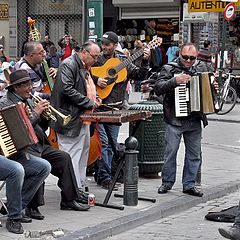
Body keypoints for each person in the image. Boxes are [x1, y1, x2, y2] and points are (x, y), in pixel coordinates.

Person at [0, 69, 90, 220]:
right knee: (39, 164)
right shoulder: (6, 103)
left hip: (38, 143)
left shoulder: (28, 99)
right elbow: (18, 132)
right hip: (23, 148)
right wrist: (35, 113)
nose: (31, 88)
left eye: (30, 84)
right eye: (27, 85)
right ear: (16, 87)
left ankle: (69, 199)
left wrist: (44, 116)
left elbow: (40, 126)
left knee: (64, 158)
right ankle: (32, 206)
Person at [154, 43, 214, 197]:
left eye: (192, 58)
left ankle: (189, 184)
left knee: (194, 154)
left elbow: (208, 89)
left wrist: (214, 90)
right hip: (174, 118)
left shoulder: (201, 68)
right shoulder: (169, 68)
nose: (188, 61)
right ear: (179, 54)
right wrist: (175, 81)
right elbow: (158, 88)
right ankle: (167, 182)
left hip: (194, 119)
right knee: (170, 153)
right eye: (185, 57)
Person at [92, 31, 150, 190]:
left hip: (116, 108)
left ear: (115, 45)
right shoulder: (97, 58)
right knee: (103, 143)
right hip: (99, 108)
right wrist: (97, 79)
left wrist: (145, 61)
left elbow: (139, 75)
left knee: (111, 145)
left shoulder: (123, 60)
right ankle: (104, 177)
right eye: (102, 44)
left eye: (107, 44)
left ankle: (104, 174)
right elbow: (85, 72)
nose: (104, 47)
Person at [50, 41, 102, 192]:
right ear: (84, 53)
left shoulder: (85, 66)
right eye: (94, 56)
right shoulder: (69, 64)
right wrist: (89, 102)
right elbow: (66, 89)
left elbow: (89, 86)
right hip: (71, 117)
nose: (96, 60)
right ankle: (71, 192)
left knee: (83, 152)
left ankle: (78, 186)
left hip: (82, 117)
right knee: (72, 155)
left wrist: (96, 97)